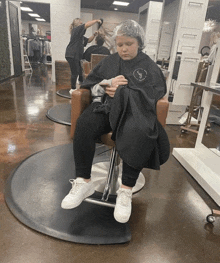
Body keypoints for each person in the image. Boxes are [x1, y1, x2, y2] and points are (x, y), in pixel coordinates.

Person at [61, 20, 170, 223]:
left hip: (133, 113)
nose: (124, 49)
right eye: (120, 44)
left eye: (129, 43)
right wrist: (105, 85)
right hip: (106, 108)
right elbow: (90, 85)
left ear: (139, 43)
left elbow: (155, 94)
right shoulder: (109, 62)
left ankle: (126, 190)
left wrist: (124, 93)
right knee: (85, 124)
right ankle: (83, 181)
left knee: (140, 130)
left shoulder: (149, 67)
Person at [65, 18, 102, 94]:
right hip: (72, 54)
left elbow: (88, 40)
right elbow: (87, 24)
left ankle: (81, 84)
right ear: (77, 25)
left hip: (75, 55)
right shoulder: (76, 30)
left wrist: (94, 35)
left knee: (80, 71)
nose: (82, 24)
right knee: (75, 72)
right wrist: (96, 20)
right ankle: (72, 89)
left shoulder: (80, 36)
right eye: (81, 23)